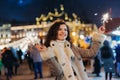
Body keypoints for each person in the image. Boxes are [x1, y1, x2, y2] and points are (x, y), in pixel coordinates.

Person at [38, 19, 106, 80]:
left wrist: (99, 34)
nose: (63, 32)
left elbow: (91, 53)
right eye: (59, 29)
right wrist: (46, 54)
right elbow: (58, 72)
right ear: (54, 31)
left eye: (65, 29)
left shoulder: (72, 47)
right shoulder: (50, 50)